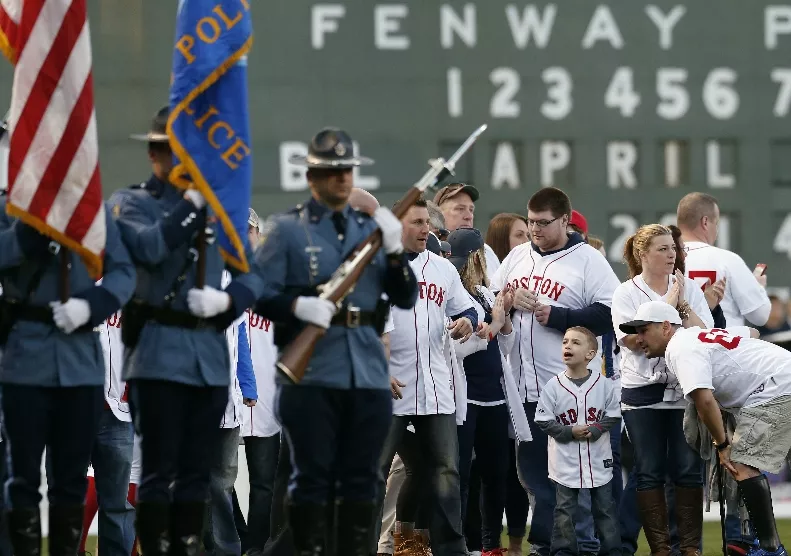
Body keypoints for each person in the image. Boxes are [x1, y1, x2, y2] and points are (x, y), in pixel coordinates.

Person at [231, 127, 418, 554]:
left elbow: (405, 295)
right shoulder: (286, 231)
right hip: (312, 374)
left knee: (362, 483)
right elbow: (256, 292)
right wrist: (297, 307)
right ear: (312, 177)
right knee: (311, 483)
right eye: (331, 171)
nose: (340, 178)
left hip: (367, 371)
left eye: (346, 170)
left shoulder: (370, 233)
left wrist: (393, 252)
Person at [109, 106, 253, 555]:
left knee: (199, 475)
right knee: (157, 473)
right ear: (156, 156)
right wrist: (192, 206)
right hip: (156, 354)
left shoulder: (222, 209)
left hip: (209, 361)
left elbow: (255, 276)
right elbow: (150, 248)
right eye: (174, 153)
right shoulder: (131, 203)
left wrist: (229, 303)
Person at [0, 156, 135, 555]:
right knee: (21, 480)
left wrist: (92, 305)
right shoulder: (8, 208)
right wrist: (35, 227)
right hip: (24, 360)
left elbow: (124, 271)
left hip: (81, 364)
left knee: (71, 483)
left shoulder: (90, 211)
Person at [490, 187, 620, 556]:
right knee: (534, 476)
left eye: (544, 223)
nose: (535, 230)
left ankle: (577, 547)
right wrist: (507, 301)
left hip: (571, 391)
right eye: (531, 222)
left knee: (573, 476)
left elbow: (611, 312)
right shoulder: (516, 256)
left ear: (565, 220)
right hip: (524, 387)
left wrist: (558, 316)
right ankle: (551, 546)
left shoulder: (587, 260)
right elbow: (490, 299)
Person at [620, 300, 791, 556]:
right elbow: (752, 333)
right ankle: (762, 544)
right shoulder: (693, 336)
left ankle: (769, 549)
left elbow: (705, 399)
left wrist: (723, 445)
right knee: (745, 464)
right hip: (780, 376)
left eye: (644, 330)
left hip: (777, 386)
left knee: (741, 464)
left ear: (666, 327)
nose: (638, 337)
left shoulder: (680, 348)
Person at [376, 197, 477, 556]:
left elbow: (468, 305)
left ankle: (448, 548)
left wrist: (469, 319)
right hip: (391, 386)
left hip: (435, 387)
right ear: (397, 226)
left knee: (444, 470)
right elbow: (366, 324)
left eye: (427, 223)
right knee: (377, 472)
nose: (425, 230)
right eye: (417, 222)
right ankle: (369, 544)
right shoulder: (378, 267)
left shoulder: (441, 268)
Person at [611, 224, 713, 556]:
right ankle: (660, 549)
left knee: (687, 469)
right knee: (649, 470)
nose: (671, 255)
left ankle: (689, 548)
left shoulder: (689, 288)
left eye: (673, 248)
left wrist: (683, 307)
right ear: (643, 254)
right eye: (663, 249)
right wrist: (668, 305)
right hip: (643, 392)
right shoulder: (626, 292)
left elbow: (707, 337)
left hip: (683, 390)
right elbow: (632, 340)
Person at [445, 227, 516, 556]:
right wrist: (493, 327)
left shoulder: (487, 294)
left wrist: (505, 325)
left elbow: (506, 347)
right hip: (464, 395)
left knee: (496, 473)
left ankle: (491, 544)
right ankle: (459, 542)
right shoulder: (452, 298)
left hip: (495, 394)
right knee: (459, 473)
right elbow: (455, 348)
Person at [535, 327, 621, 556]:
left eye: (575, 342)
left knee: (605, 510)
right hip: (565, 461)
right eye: (565, 342)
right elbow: (542, 420)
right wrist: (568, 431)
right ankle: (563, 552)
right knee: (564, 511)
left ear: (590, 354)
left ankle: (612, 551)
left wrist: (596, 428)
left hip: (598, 458)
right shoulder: (553, 385)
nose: (567, 346)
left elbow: (613, 414)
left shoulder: (603, 384)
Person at [240, 209, 281, 556]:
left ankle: (256, 548)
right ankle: (236, 538)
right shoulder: (216, 276)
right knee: (214, 482)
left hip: (267, 393)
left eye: (247, 230)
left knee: (264, 483)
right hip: (225, 395)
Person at [677, 192, 770, 328]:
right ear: (705, 222)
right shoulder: (727, 260)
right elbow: (760, 316)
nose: (716, 229)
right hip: (723, 345)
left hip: (677, 346)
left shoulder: (664, 260)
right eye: (716, 223)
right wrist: (758, 287)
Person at [434, 183, 500, 274]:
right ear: (438, 215)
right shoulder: (425, 251)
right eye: (460, 209)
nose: (469, 216)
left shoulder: (486, 252)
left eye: (471, 210)